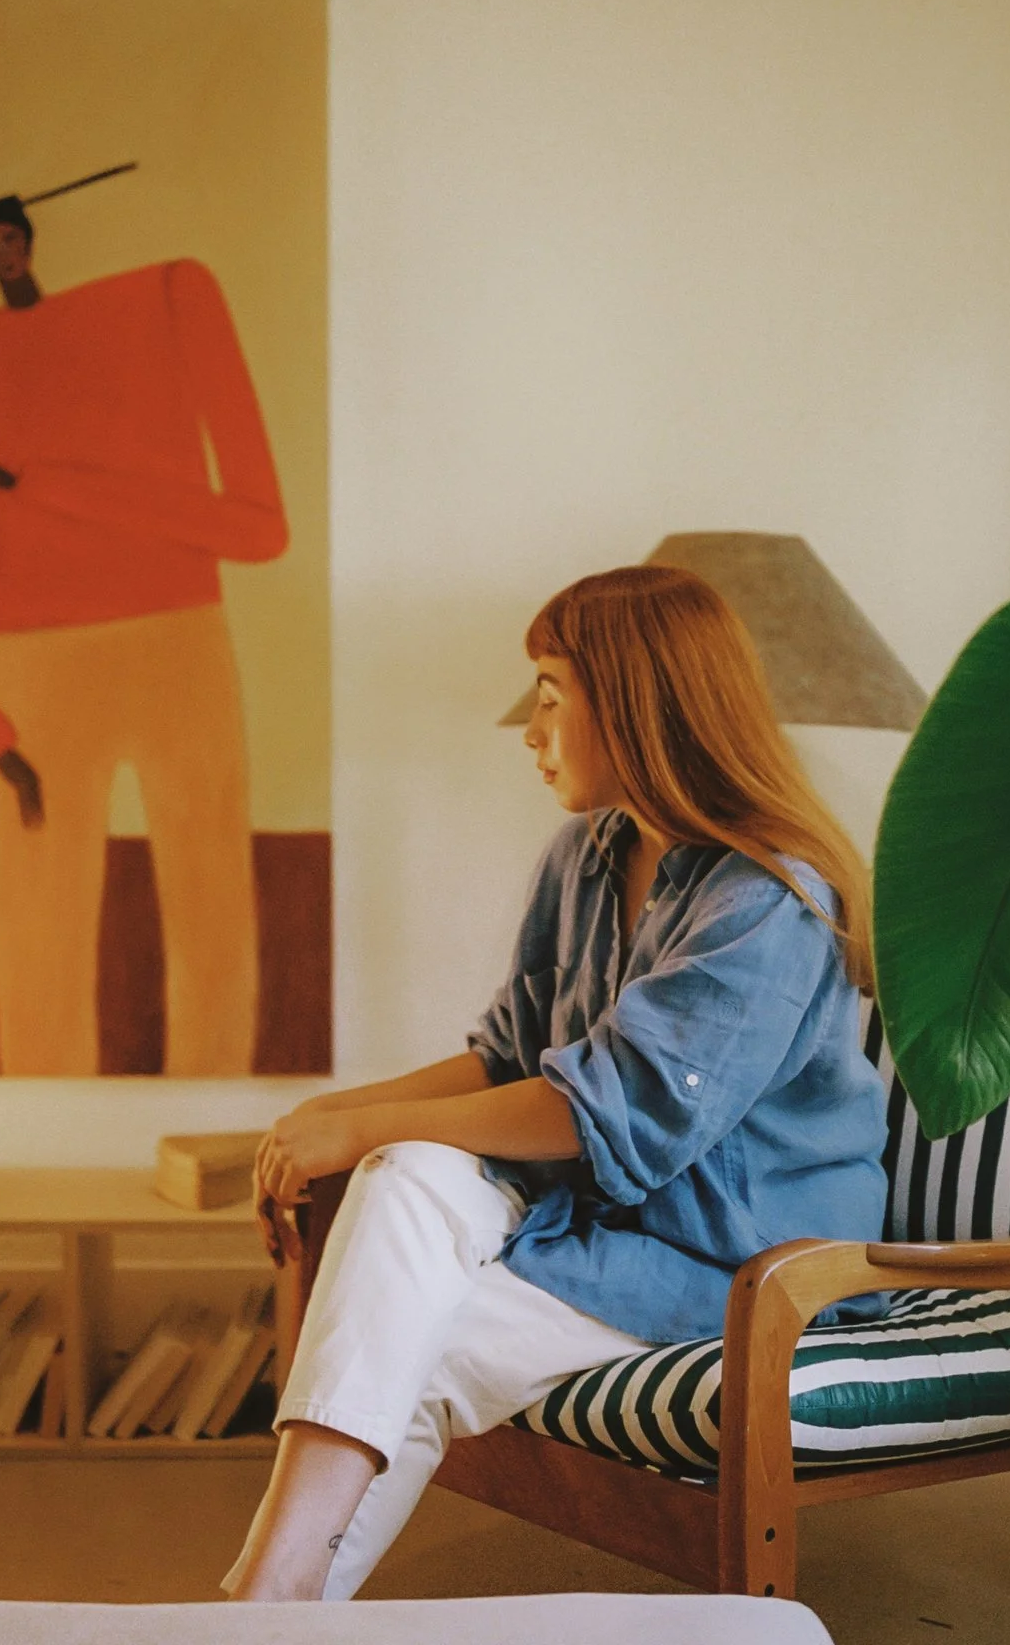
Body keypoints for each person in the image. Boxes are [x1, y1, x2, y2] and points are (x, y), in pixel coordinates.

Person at [225, 565, 889, 1602]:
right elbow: (508, 1053)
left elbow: (593, 1109)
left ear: (636, 705)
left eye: (548, 696)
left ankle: (250, 1611)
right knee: (405, 1184)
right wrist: (333, 1115)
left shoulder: (767, 894)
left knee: (413, 1338)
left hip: (747, 1268)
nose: (531, 732)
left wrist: (348, 1137)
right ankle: (261, 1610)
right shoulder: (584, 853)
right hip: (609, 1231)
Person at [0, 192, 287, 1075]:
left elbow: (259, 531)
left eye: (12, 237)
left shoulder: (170, 296)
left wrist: (37, 482)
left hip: (178, 646)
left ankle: (215, 1143)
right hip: (33, 670)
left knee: (211, 930)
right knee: (39, 965)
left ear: (29, 239)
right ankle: (48, 1166)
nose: (4, 252)